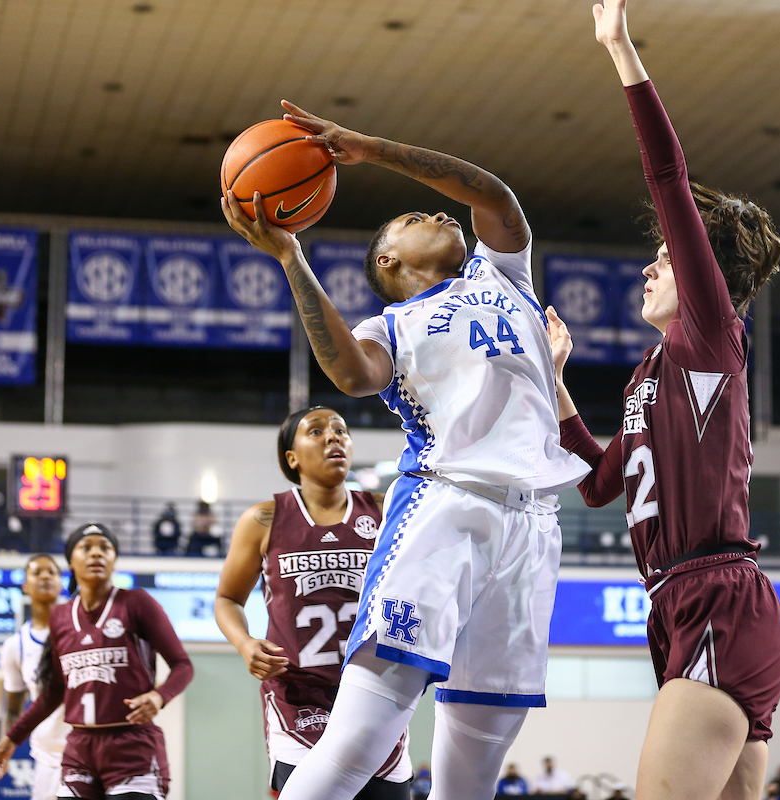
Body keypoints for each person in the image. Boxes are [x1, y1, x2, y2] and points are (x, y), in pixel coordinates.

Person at [222, 93, 589, 800]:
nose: (440, 214)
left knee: (474, 771)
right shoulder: (388, 326)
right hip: (445, 511)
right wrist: (292, 258)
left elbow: (493, 194)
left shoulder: (502, 272)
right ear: (388, 258)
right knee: (358, 743)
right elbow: (349, 375)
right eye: (418, 218)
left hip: (536, 526)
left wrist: (367, 147)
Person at [547, 2, 780, 799]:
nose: (650, 266)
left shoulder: (710, 340)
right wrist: (555, 384)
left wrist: (620, 48)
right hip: (685, 603)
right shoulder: (652, 371)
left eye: (663, 254)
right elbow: (598, 481)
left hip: (716, 597)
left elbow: (668, 178)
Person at [214, 406, 410, 797]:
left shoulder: (385, 509)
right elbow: (227, 599)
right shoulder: (264, 519)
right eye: (316, 432)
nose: (334, 437)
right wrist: (245, 643)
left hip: (373, 692)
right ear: (292, 457)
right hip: (297, 698)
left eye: (341, 430)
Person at [0, 523, 194, 800]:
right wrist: (10, 740)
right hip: (80, 748)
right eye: (86, 547)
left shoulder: (137, 603)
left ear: (114, 559)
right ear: (71, 561)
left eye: (105, 548)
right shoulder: (61, 618)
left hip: (131, 746)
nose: (96, 554)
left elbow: (183, 665)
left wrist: (158, 696)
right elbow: (54, 690)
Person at [0, 555, 71, 800]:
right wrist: (6, 748)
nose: (45, 577)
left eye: (52, 572)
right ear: (25, 585)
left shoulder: (79, 629)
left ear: (61, 583)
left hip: (88, 750)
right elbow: (12, 710)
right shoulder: (15, 645)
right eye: (37, 573)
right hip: (47, 757)